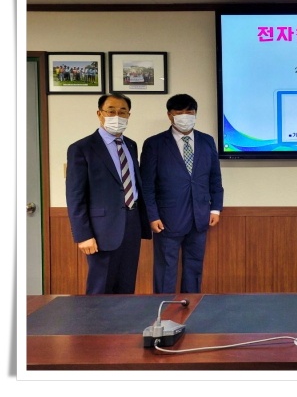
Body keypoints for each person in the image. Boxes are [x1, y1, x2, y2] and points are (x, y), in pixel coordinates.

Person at [66, 92, 151, 294]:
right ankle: (95, 318)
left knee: (126, 286)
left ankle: (123, 317)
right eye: (111, 111)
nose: (117, 116)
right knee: (100, 289)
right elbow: (75, 196)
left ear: (129, 115)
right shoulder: (81, 148)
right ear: (99, 113)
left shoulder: (131, 145)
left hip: (132, 223)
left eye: (122, 112)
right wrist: (83, 235)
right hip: (100, 230)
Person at [141, 94, 224, 294]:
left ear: (195, 114)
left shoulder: (207, 141)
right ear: (170, 115)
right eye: (179, 112)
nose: (185, 116)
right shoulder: (154, 143)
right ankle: (163, 307)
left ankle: (191, 305)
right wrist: (152, 216)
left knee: (194, 267)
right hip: (167, 219)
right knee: (166, 269)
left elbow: (214, 177)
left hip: (200, 216)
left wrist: (215, 208)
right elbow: (147, 184)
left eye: (189, 111)